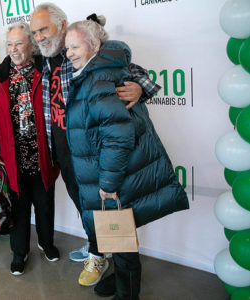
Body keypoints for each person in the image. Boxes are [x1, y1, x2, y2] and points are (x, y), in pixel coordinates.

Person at [29, 3, 161, 287]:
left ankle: (102, 256)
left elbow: (132, 70)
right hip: (63, 152)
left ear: (62, 26)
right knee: (84, 207)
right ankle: (97, 248)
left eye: (43, 30)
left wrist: (139, 87)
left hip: (89, 152)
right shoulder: (42, 59)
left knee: (106, 209)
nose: (38, 37)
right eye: (34, 32)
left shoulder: (84, 49)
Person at [64, 19, 189, 299]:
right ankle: (123, 279)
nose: (69, 53)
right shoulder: (97, 70)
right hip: (117, 171)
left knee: (120, 234)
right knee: (121, 233)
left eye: (74, 46)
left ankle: (127, 293)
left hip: (116, 175)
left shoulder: (98, 79)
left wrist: (108, 182)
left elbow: (118, 137)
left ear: (94, 46)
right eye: (67, 47)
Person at [0, 23, 59, 276]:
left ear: (31, 46)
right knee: (19, 209)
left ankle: (46, 244)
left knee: (45, 205)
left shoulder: (45, 71)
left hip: (42, 155)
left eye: (19, 43)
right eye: (10, 44)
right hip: (11, 159)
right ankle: (19, 253)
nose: (14, 49)